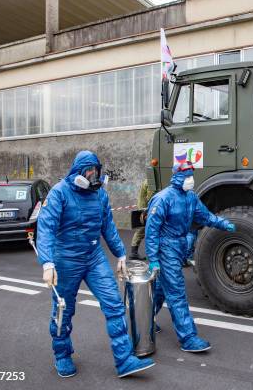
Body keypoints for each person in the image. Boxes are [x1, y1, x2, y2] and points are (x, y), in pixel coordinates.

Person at [37, 151, 155, 378]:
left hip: (93, 257)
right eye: (88, 170)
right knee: (63, 310)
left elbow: (108, 227)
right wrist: (47, 263)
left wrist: (121, 254)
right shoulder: (59, 193)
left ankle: (124, 360)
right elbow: (46, 227)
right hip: (66, 259)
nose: (92, 174)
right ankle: (62, 355)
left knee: (114, 304)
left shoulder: (99, 194)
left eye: (95, 170)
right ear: (78, 171)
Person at [145, 161, 235, 352]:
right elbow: (151, 231)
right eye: (186, 175)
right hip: (166, 248)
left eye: (191, 175)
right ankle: (188, 338)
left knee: (161, 288)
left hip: (179, 246)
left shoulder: (191, 197)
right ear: (176, 176)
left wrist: (223, 223)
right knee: (176, 292)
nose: (190, 179)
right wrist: (153, 258)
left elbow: (205, 216)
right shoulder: (162, 199)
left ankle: (144, 321)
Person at [130, 178, 156, 260]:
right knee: (141, 230)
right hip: (145, 209)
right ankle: (133, 253)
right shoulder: (150, 181)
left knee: (142, 230)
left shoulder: (147, 179)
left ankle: (134, 253)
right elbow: (150, 198)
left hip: (144, 207)